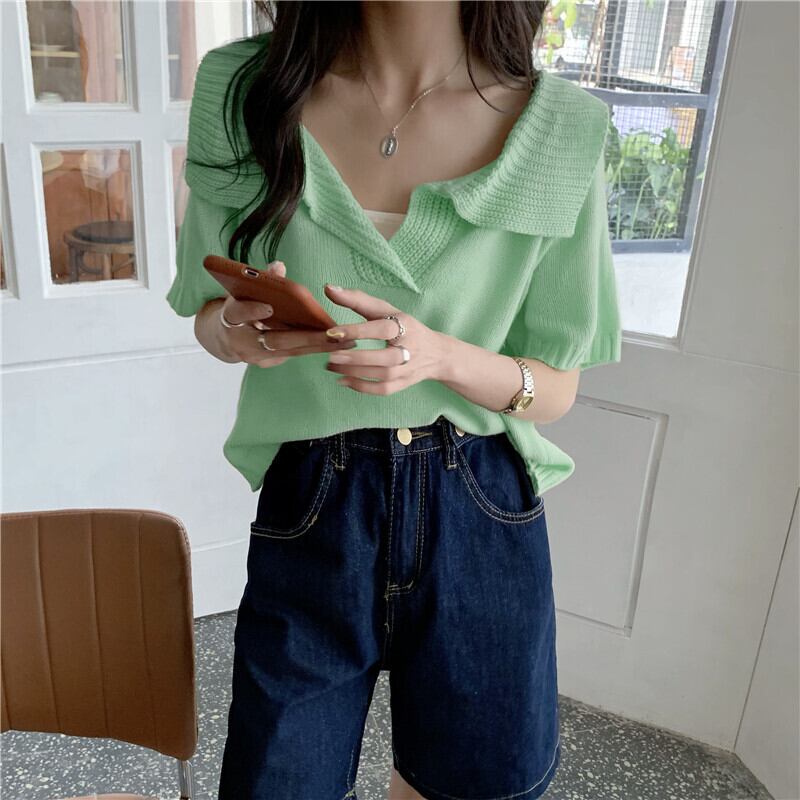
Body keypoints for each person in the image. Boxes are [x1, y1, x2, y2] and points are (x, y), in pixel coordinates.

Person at [166, 2, 622, 798]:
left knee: (471, 785)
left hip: (478, 507)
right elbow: (209, 312)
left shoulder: (561, 132)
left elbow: (553, 389)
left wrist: (441, 356)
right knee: (277, 782)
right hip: (315, 503)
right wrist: (237, 330)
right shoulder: (245, 91)